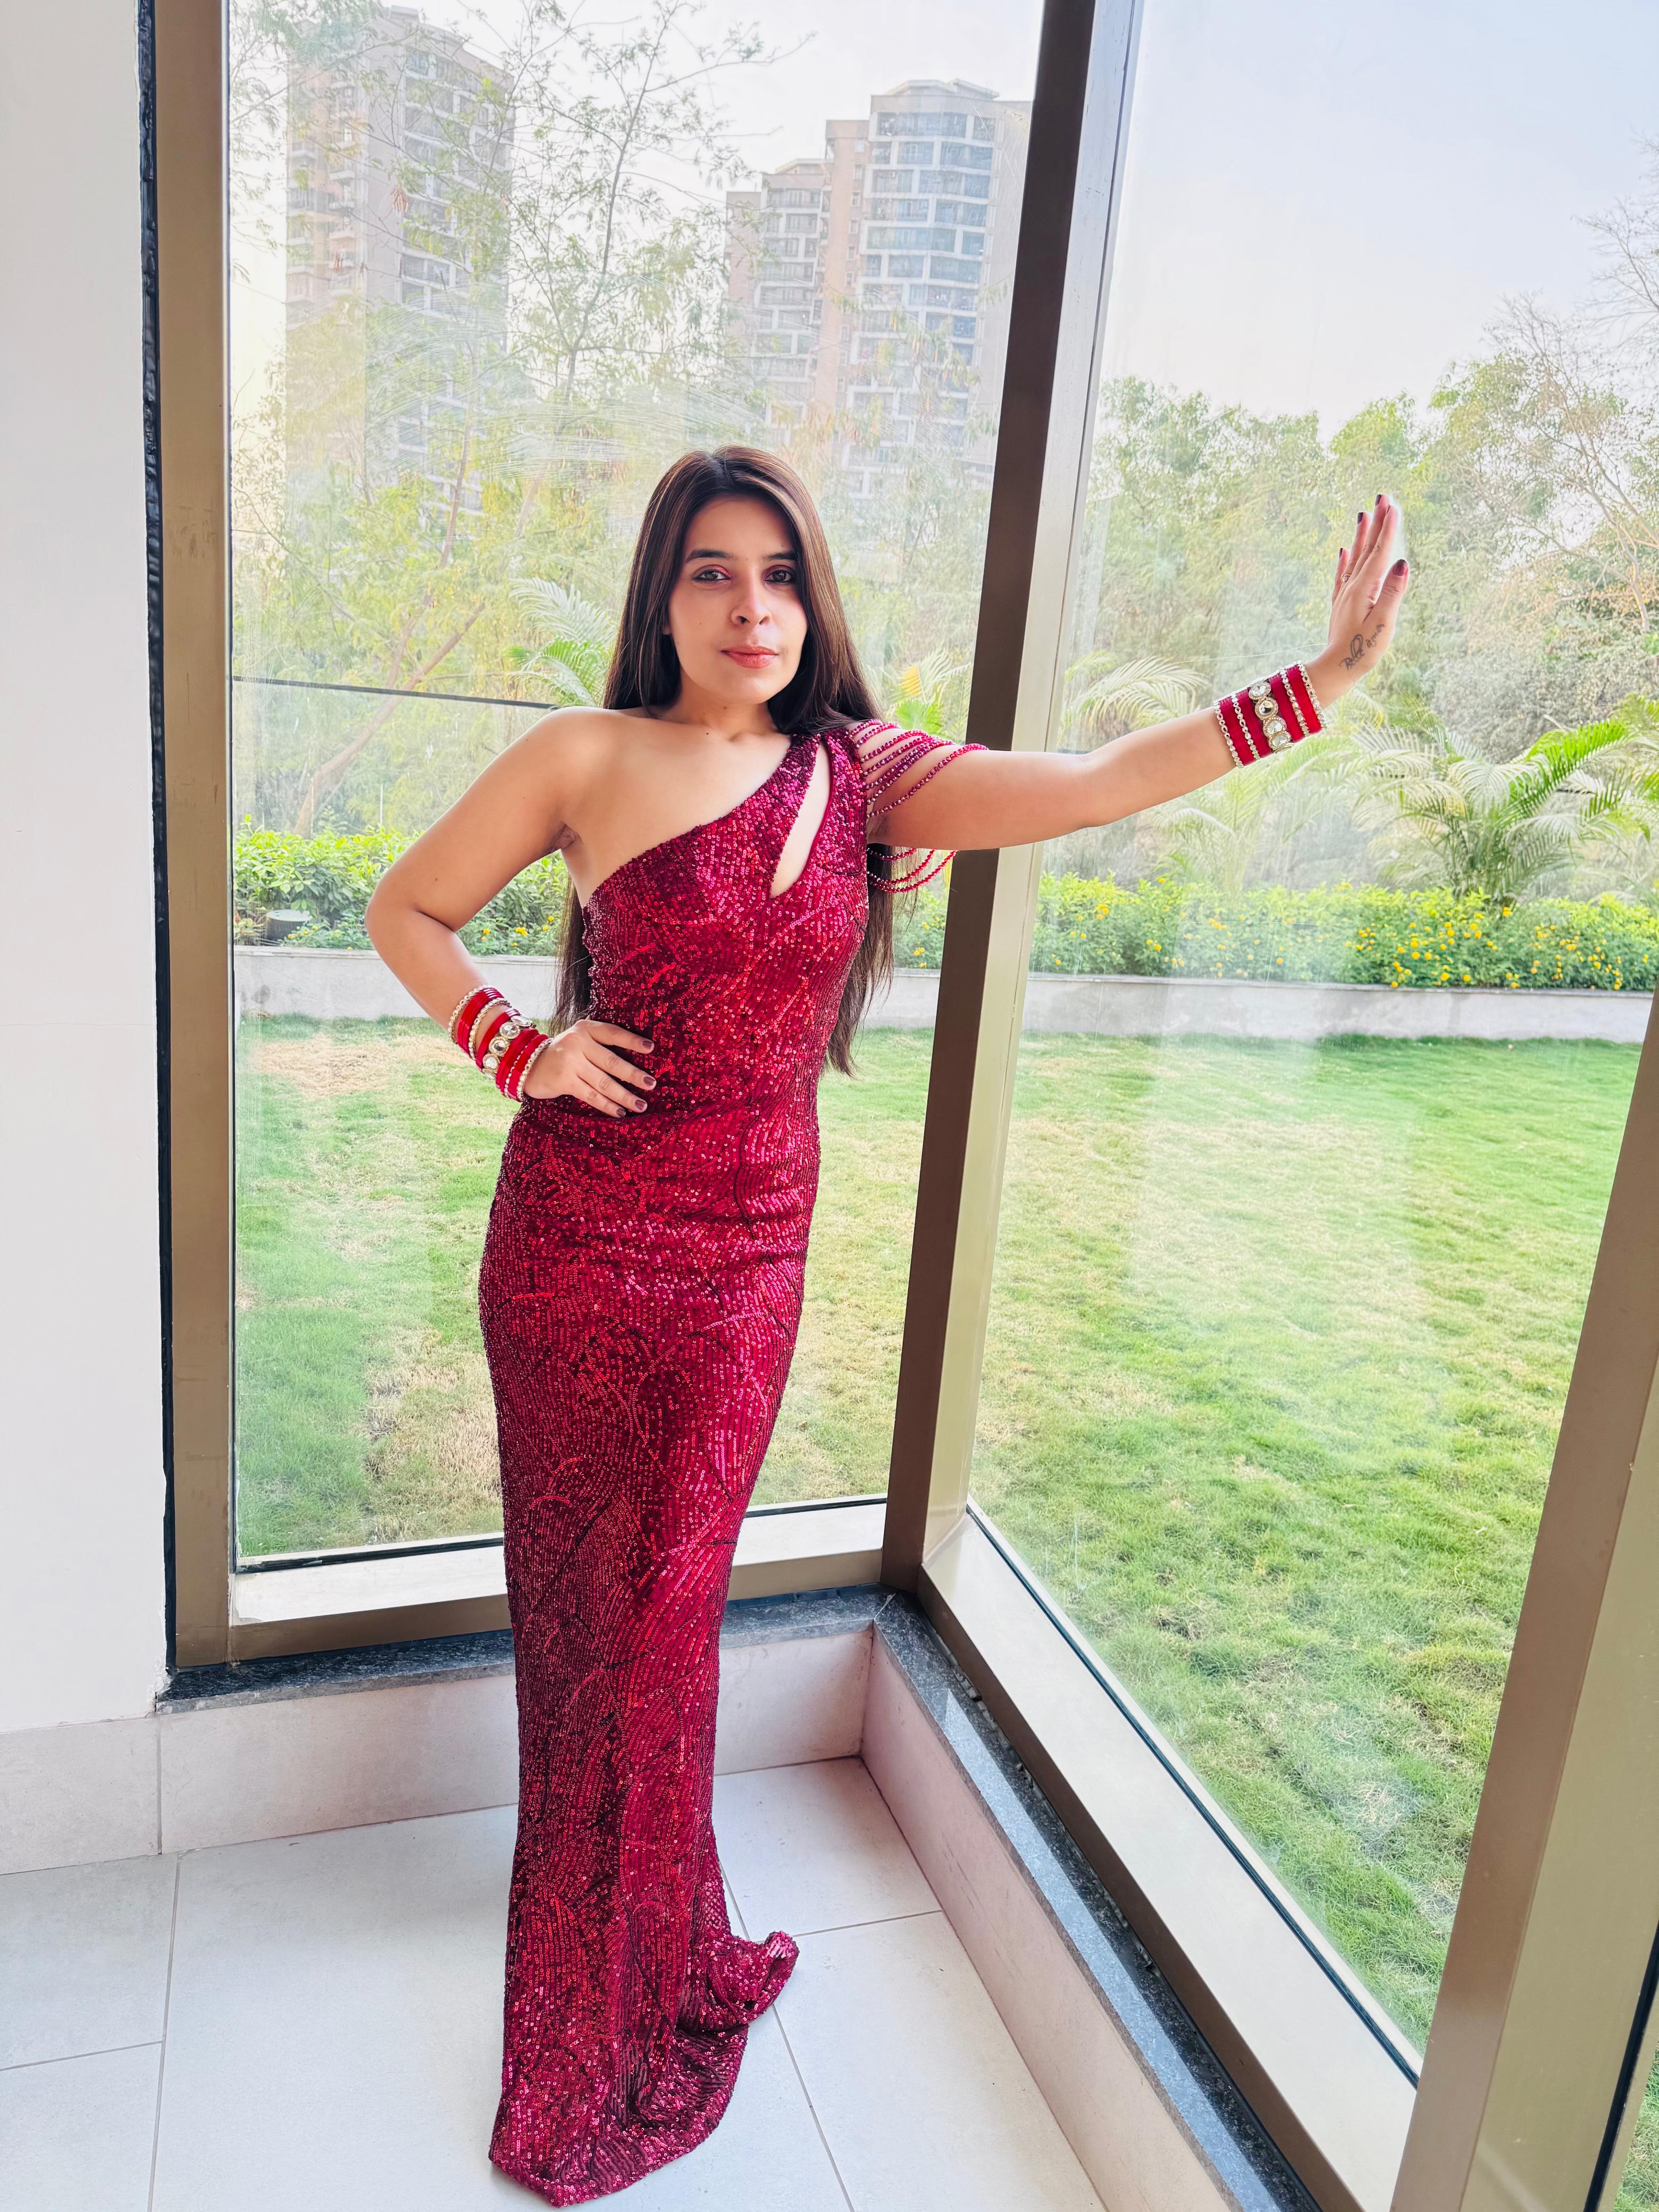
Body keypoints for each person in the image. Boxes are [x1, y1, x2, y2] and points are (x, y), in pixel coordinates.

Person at [364, 445, 1408, 2205]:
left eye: (777, 572)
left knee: (674, 1602)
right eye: (709, 571)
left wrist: (1318, 684)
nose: (749, 605)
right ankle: (588, 1923)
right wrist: (513, 1047)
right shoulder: (584, 756)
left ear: (814, 596)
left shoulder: (866, 779)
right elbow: (411, 909)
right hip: (572, 1243)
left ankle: (650, 1937)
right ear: (663, 594)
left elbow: (1087, 784)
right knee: (581, 1600)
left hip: (748, 1258)